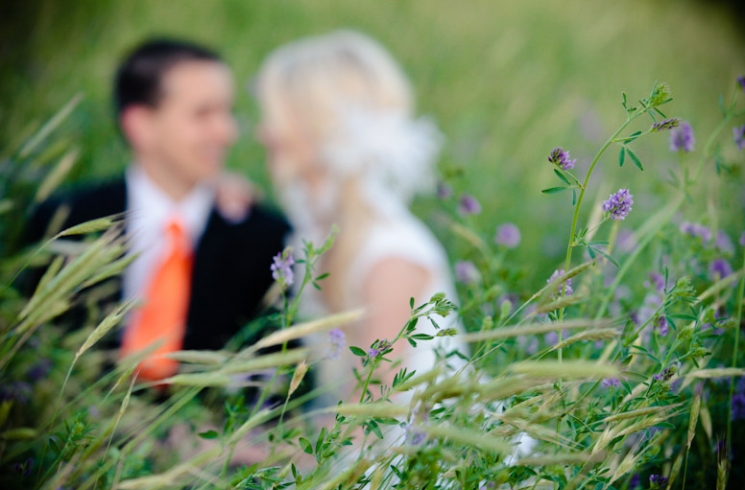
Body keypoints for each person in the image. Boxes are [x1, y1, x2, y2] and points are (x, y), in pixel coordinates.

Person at [26, 39, 290, 381]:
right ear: (141, 125)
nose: (227, 132)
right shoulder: (64, 219)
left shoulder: (266, 237)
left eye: (227, 112)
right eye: (202, 114)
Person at [253, 30, 466, 406]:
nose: (263, 133)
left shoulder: (389, 255)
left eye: (276, 117)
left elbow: (369, 413)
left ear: (317, 123)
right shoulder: (315, 231)